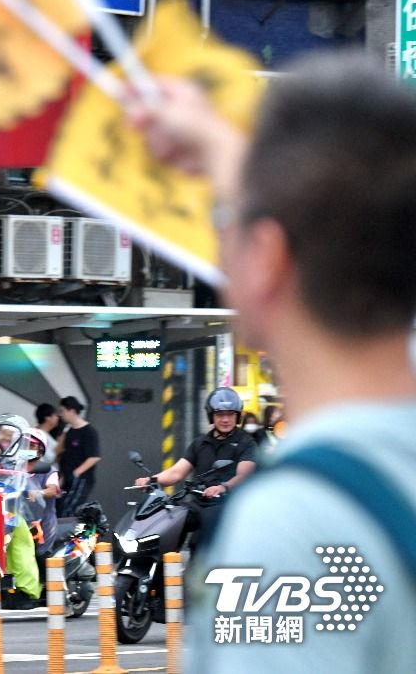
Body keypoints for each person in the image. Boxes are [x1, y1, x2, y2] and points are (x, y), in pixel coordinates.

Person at [129, 54, 416, 672]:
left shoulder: (296, 524)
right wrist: (218, 148)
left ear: (265, 258)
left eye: (225, 226)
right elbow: (331, 216)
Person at [135, 388, 256, 551]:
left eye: (230, 414)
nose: (226, 419)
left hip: (228, 504)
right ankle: (160, 568)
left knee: (199, 539)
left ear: (237, 416)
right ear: (211, 416)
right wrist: (151, 480)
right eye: (220, 414)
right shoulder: (200, 443)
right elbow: (176, 473)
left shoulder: (246, 443)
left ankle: (197, 571)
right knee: (168, 518)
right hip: (199, 502)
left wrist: (222, 487)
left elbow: (244, 474)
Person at [55, 396, 100, 517]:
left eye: (63, 411)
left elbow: (94, 457)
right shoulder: (69, 431)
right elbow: (63, 454)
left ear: (72, 411)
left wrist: (76, 473)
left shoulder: (88, 431)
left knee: (68, 510)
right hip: (67, 478)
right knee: (59, 508)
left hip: (80, 480)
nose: (61, 415)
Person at [22, 428, 60, 557]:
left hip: (42, 526)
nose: (27, 448)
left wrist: (38, 493)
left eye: (32, 445)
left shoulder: (49, 471)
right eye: (25, 444)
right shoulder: (14, 469)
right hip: (18, 523)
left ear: (40, 450)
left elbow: (52, 490)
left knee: (41, 561)